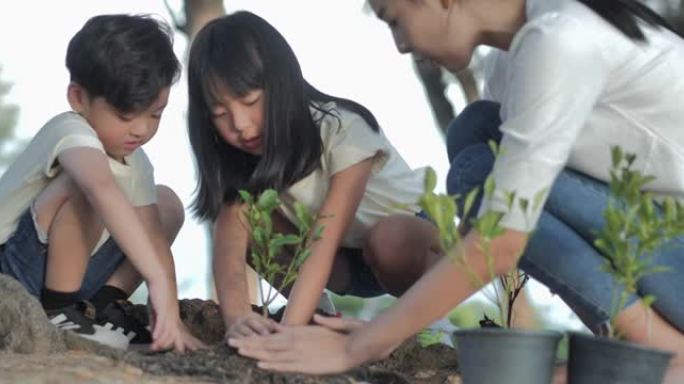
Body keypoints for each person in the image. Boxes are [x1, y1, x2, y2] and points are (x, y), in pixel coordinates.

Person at [228, 0, 684, 380]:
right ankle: (639, 345)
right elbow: (483, 237)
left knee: (480, 163)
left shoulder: (561, 39)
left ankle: (664, 353)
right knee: (479, 141)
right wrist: (382, 332)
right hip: (665, 256)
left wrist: (359, 349)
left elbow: (503, 239)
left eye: (393, 19)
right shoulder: (515, 61)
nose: (401, 44)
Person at [185, 11, 441, 341]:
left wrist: (288, 334)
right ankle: (316, 317)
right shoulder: (244, 161)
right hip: (347, 263)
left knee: (386, 240)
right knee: (248, 223)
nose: (240, 125)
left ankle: (436, 322)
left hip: (411, 245)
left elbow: (325, 237)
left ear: (281, 84)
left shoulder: (342, 128)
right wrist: (237, 320)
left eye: (250, 101)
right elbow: (230, 255)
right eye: (220, 114)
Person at [0, 14, 204, 352]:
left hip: (68, 274)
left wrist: (169, 311)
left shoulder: (136, 160)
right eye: (126, 116)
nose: (141, 129)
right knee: (89, 188)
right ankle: (59, 312)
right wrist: (155, 279)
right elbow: (100, 188)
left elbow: (153, 236)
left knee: (166, 204)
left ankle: (103, 306)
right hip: (14, 269)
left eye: (155, 114)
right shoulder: (70, 131)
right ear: (79, 98)